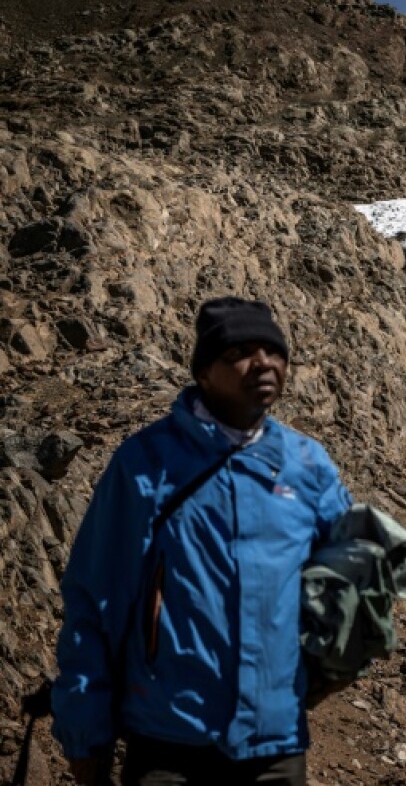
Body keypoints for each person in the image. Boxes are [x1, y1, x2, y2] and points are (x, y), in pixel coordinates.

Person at [52, 297, 353, 786]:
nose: (263, 363)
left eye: (272, 351)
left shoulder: (307, 464)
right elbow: (95, 598)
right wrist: (87, 734)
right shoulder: (146, 463)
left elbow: (352, 579)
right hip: (169, 740)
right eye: (242, 352)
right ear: (204, 373)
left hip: (273, 745)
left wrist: (326, 671)